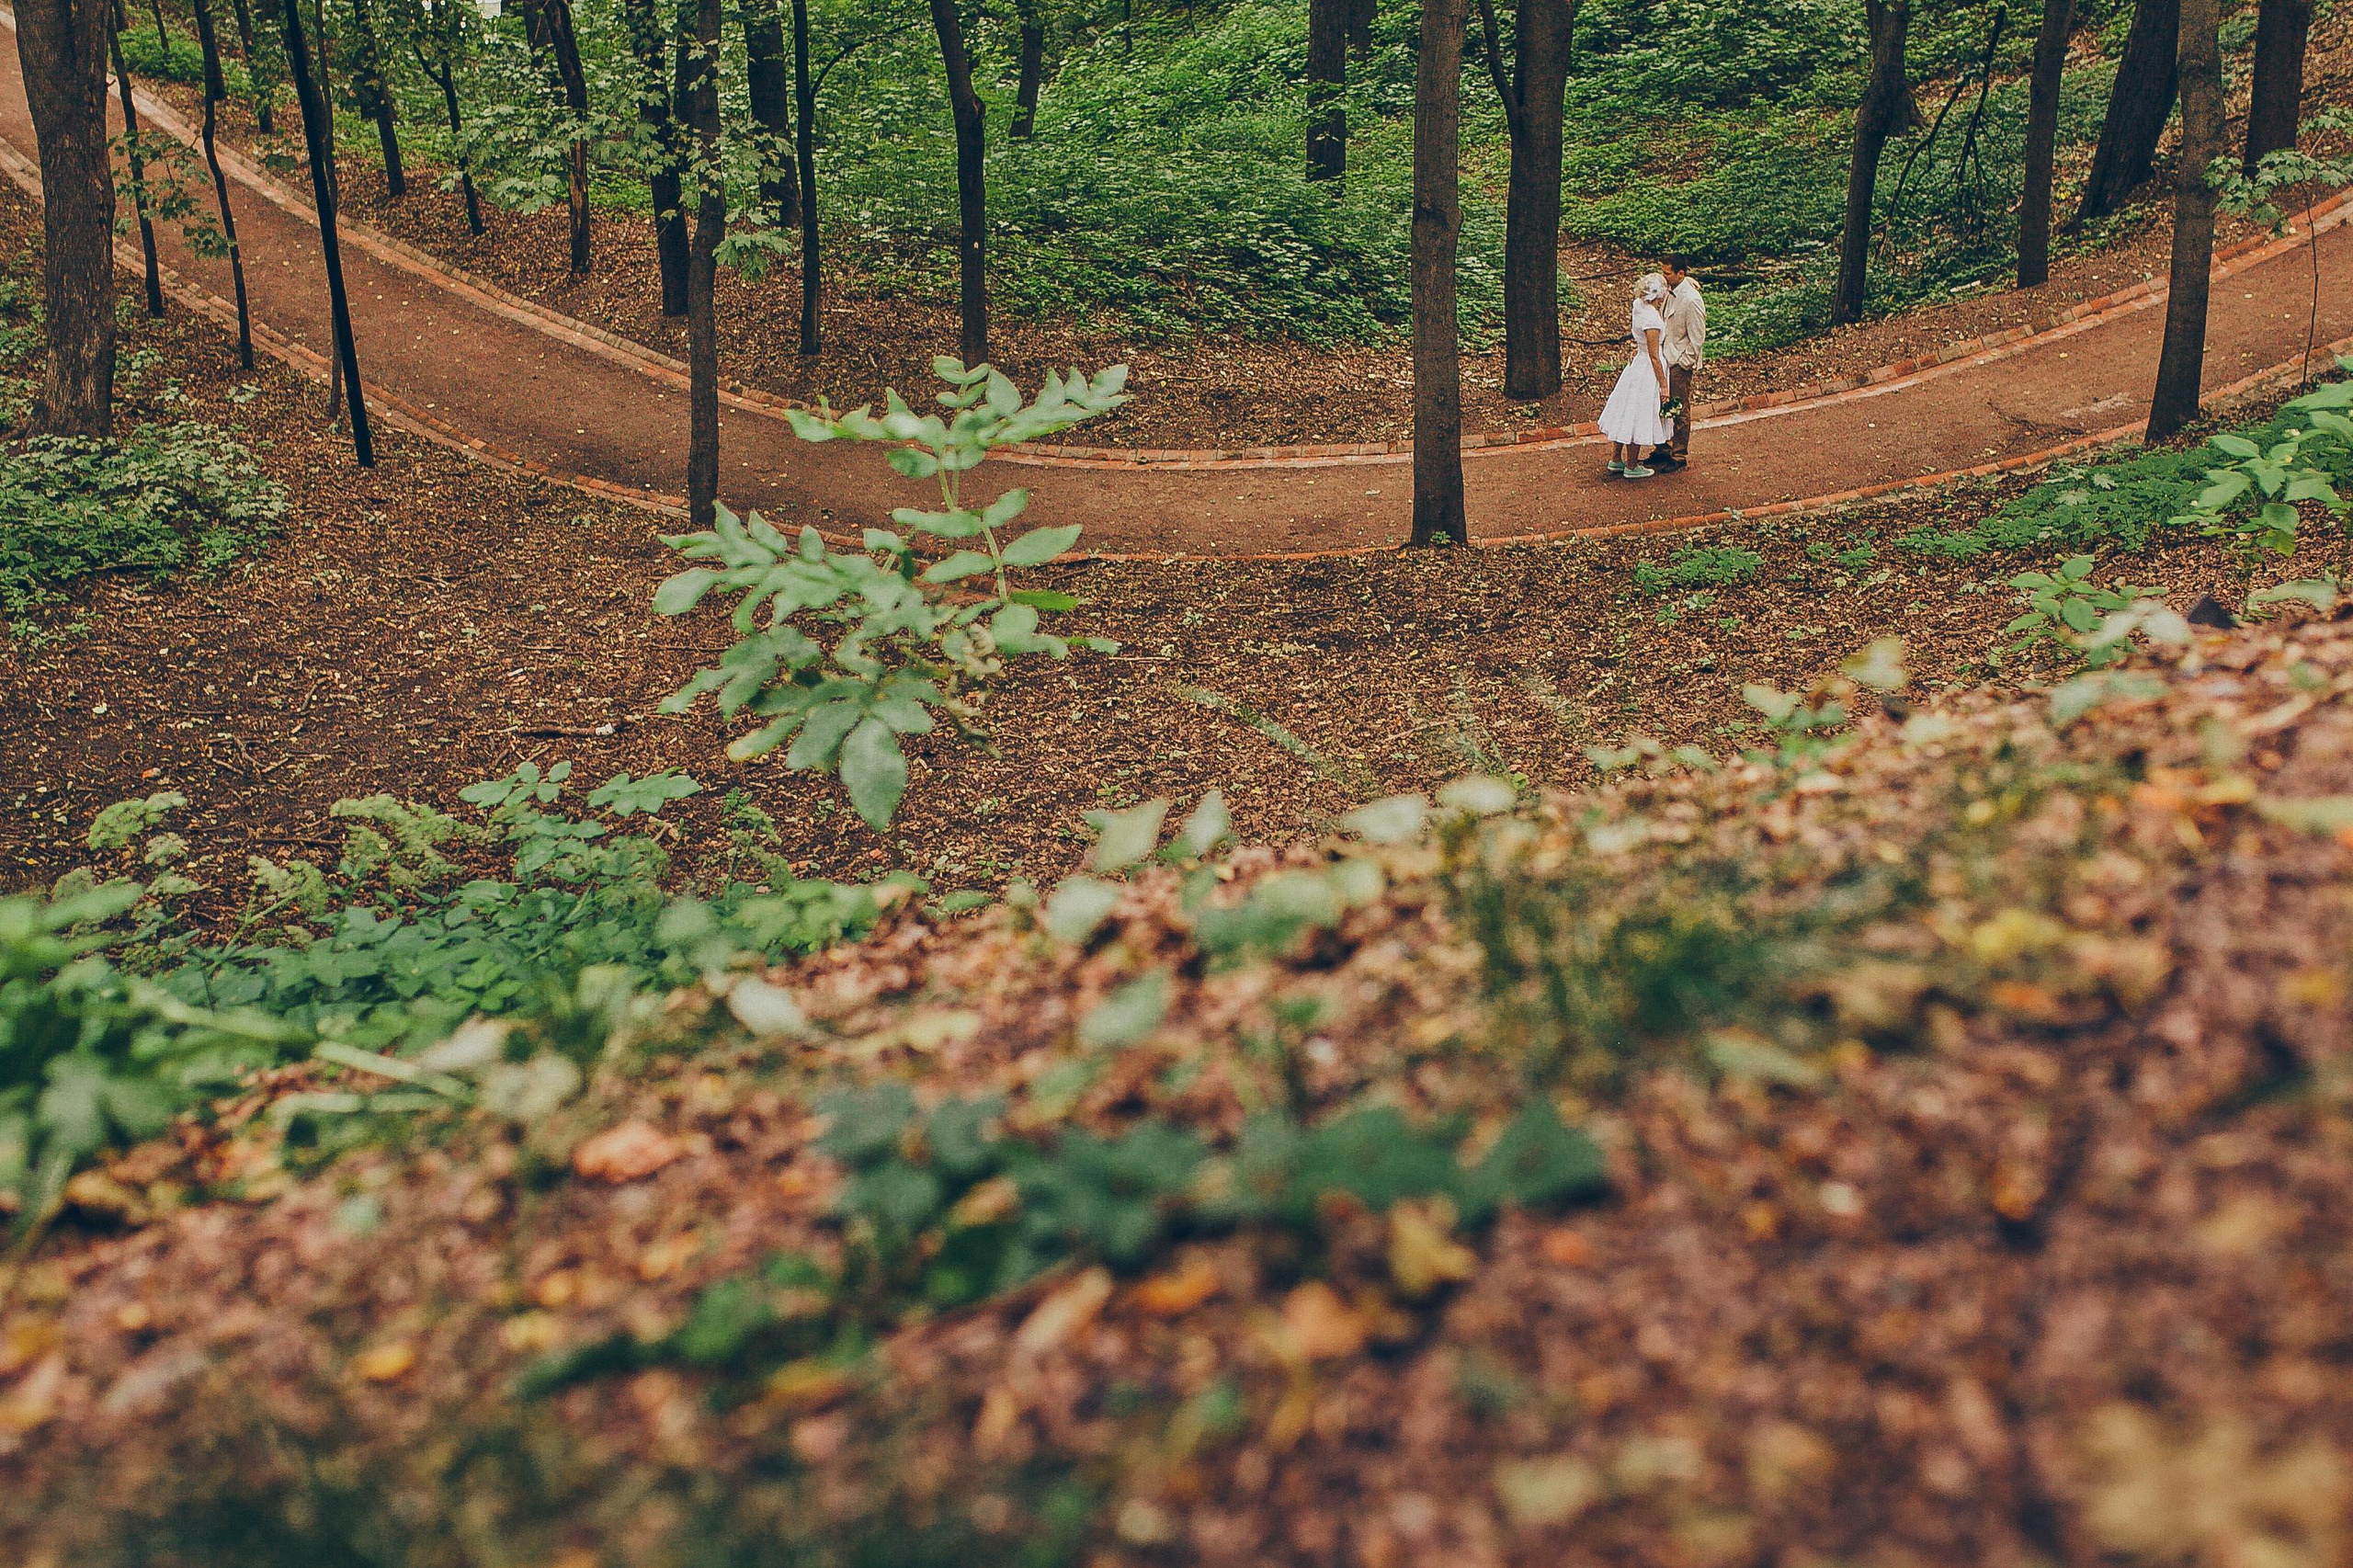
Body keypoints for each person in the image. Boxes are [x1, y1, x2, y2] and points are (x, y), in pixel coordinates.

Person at [1598, 274, 1674, 480]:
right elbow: (1654, 356)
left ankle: (1616, 458)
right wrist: (1664, 385)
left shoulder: (1638, 306)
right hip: (1647, 370)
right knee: (1638, 414)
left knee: (1626, 409)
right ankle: (1632, 465)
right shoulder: (1652, 320)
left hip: (1637, 364)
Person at [1650, 255, 1705, 472]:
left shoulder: (1691, 300)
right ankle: (1663, 448)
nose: (1664, 276)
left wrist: (1683, 363)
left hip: (1678, 363)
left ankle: (1679, 454)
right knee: (1662, 405)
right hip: (1666, 358)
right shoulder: (1672, 291)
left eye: (1667, 273)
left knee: (1679, 407)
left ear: (1680, 274)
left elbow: (1697, 338)